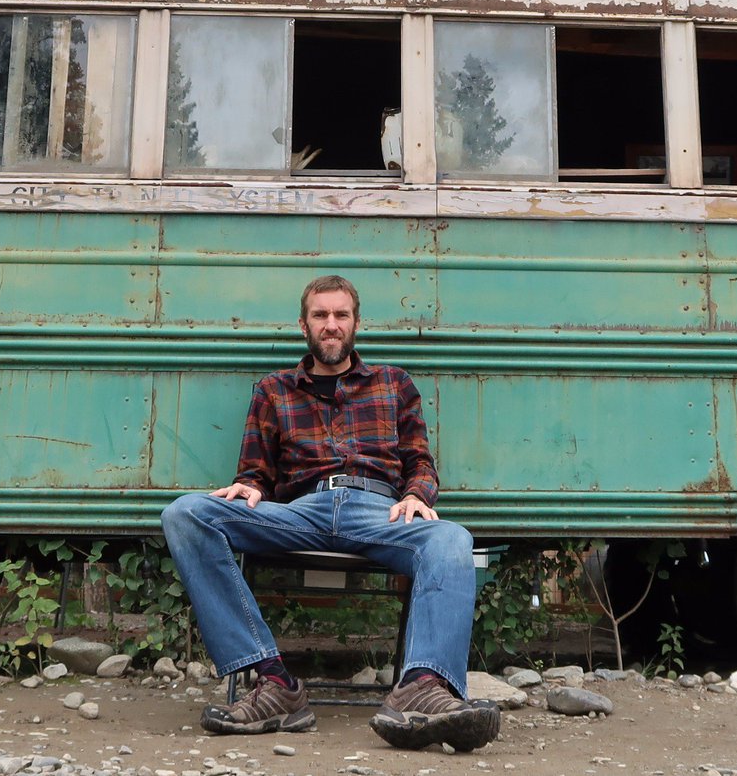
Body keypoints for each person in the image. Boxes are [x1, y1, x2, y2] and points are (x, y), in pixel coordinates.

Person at [160, 275, 500, 751]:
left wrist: (418, 494)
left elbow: (419, 461)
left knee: (452, 538)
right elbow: (255, 472)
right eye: (321, 315)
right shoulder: (273, 391)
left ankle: (422, 688)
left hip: (378, 510)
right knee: (185, 513)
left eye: (341, 315)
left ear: (356, 323)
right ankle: (274, 682)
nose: (331, 324)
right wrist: (249, 487)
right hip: (302, 512)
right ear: (304, 325)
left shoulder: (393, 383)